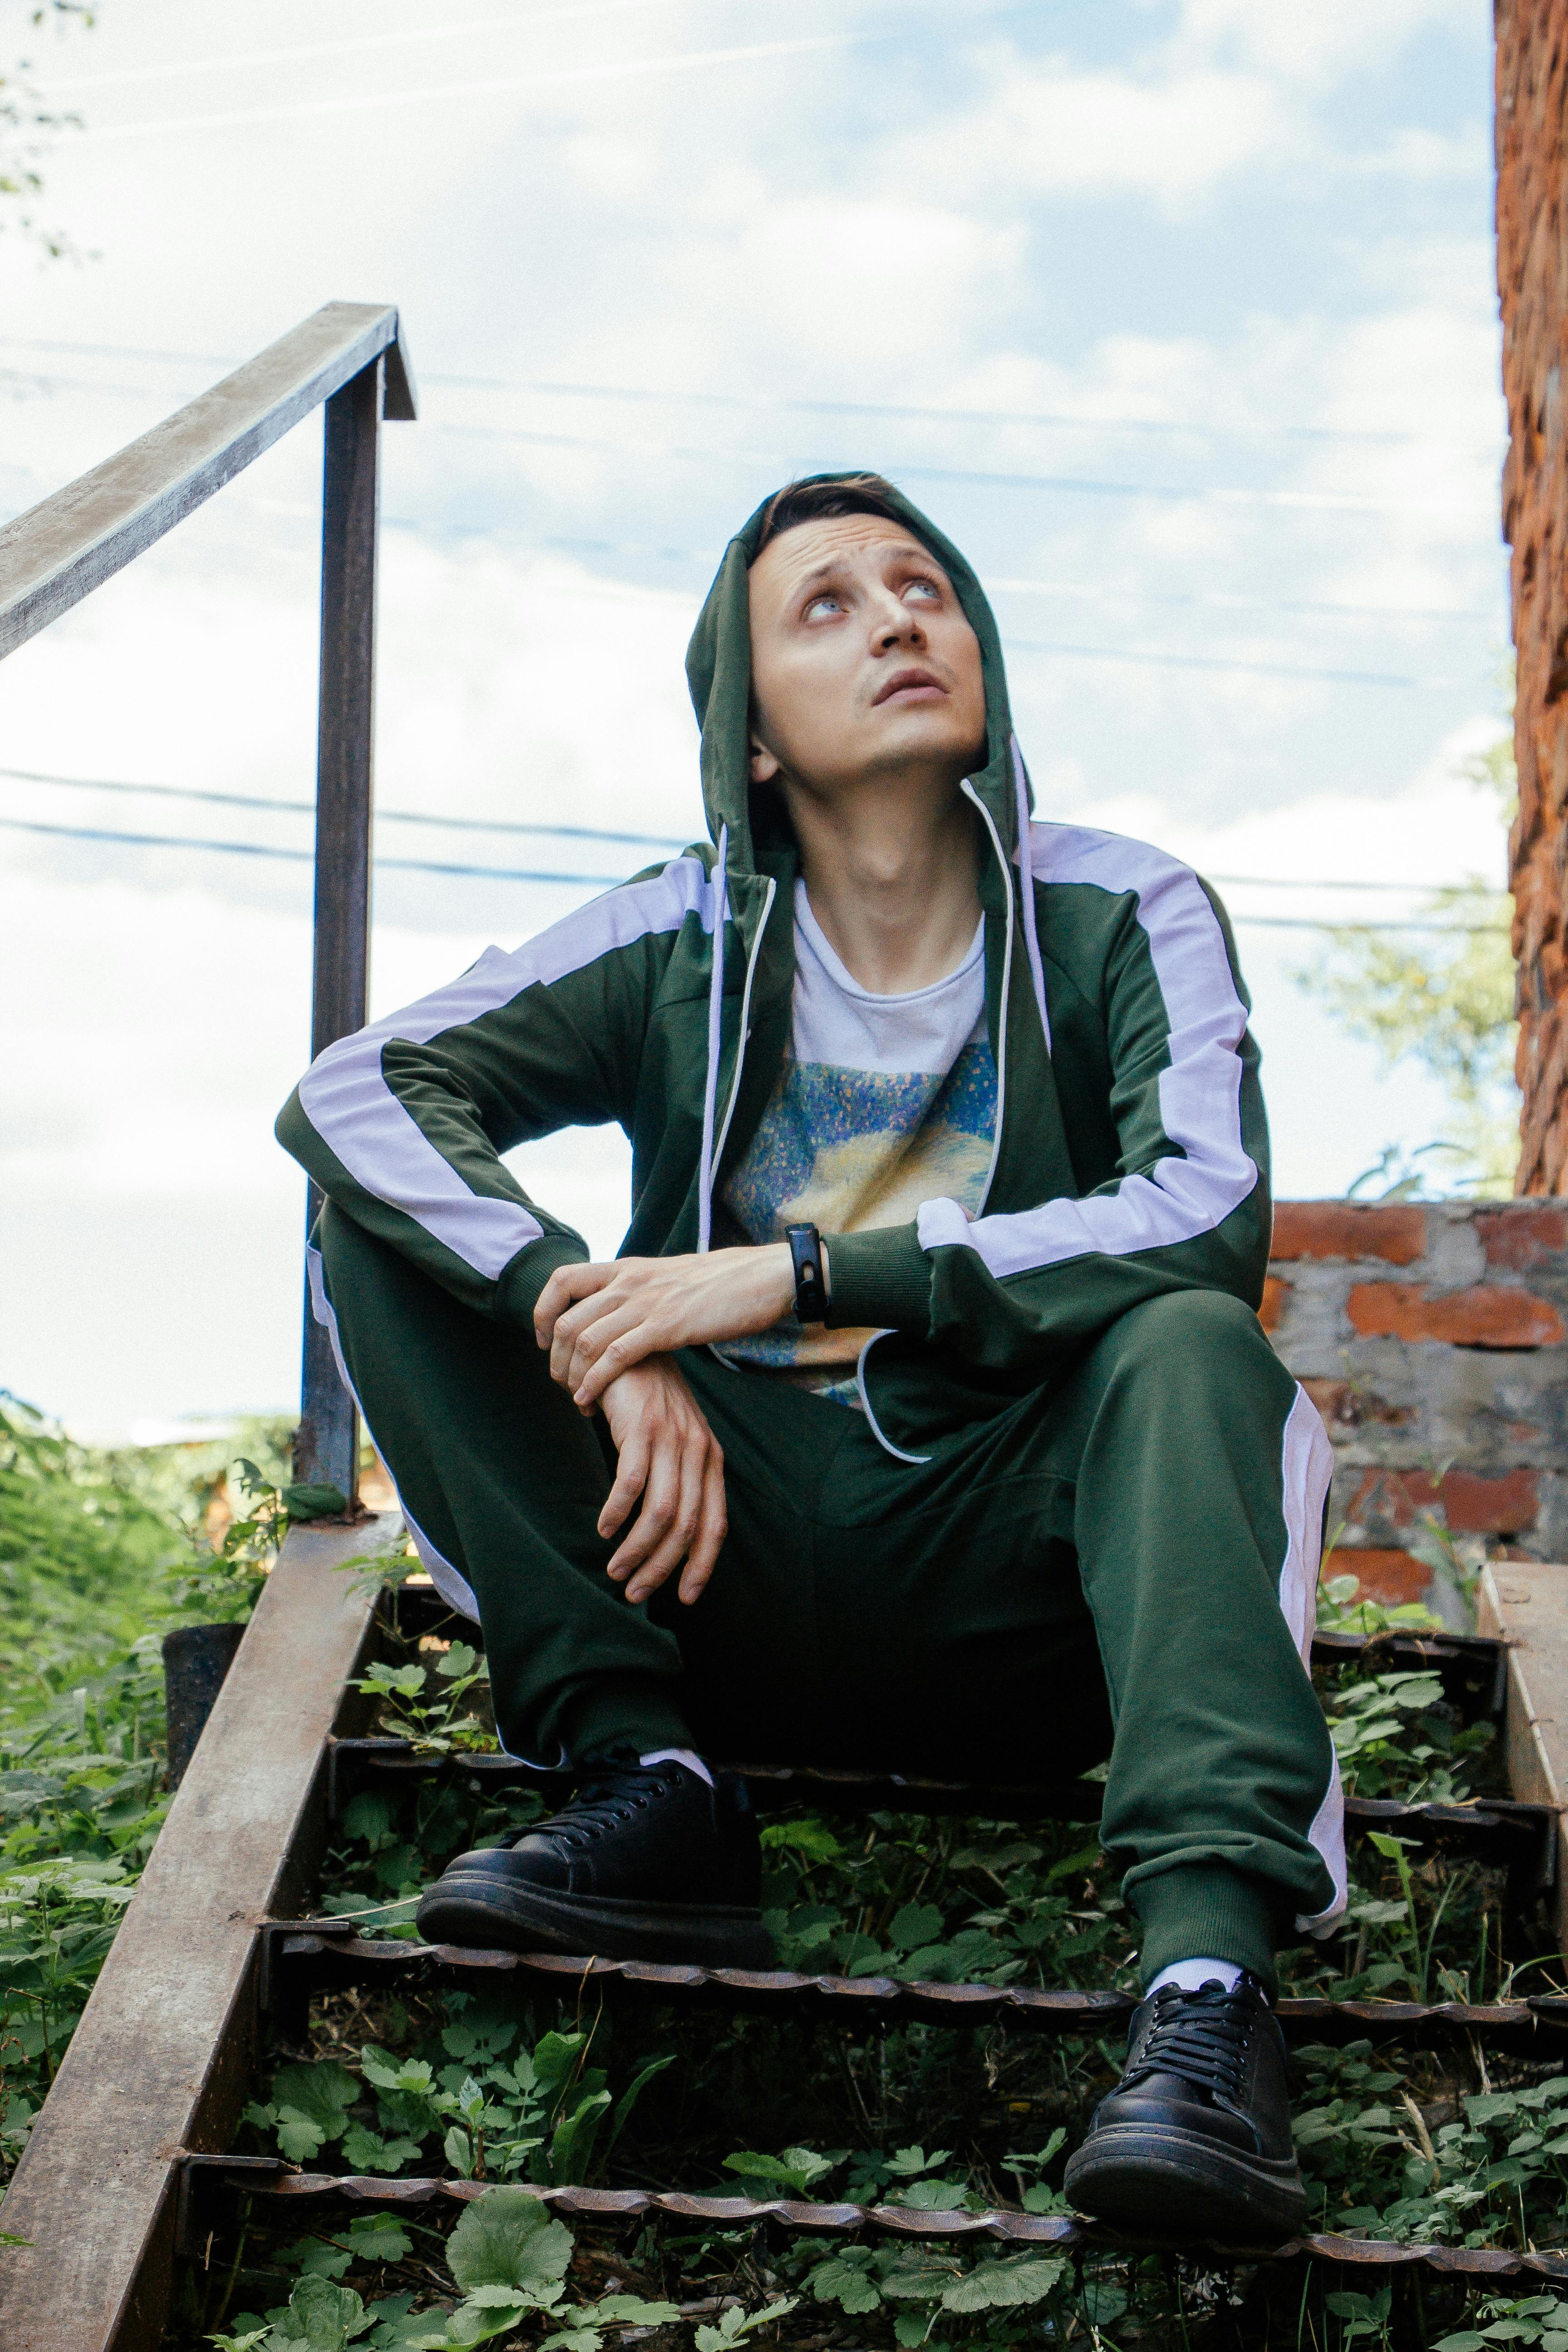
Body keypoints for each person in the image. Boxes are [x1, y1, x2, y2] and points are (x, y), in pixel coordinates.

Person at [277, 471, 1343, 2242]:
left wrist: (789, 1273)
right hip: (714, 1558)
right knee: (378, 1226)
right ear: (752, 732)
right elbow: (360, 1090)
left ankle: (1208, 2004)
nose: (901, 619)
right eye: (828, 606)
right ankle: (652, 1784)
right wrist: (590, 1319)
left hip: (1013, 1570)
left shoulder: (1122, 910)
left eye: (926, 587)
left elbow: (1208, 1208)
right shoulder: (680, 930)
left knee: (1187, 1348)